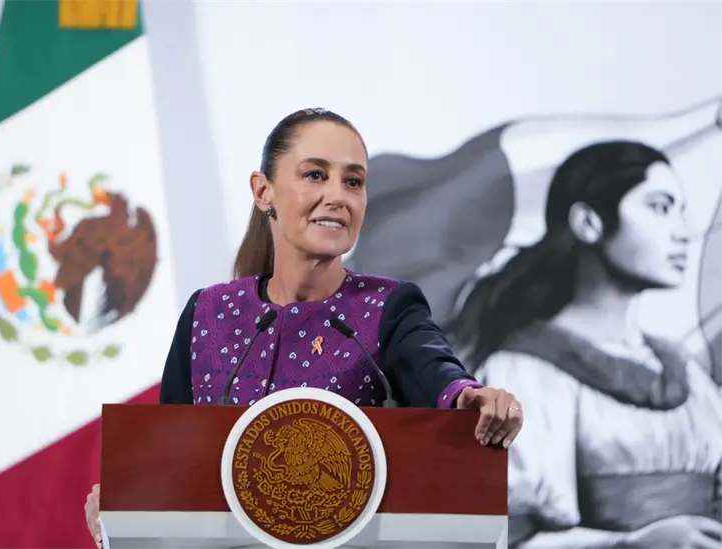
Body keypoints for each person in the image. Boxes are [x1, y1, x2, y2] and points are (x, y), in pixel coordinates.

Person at [84, 108, 524, 547]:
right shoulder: (209, 313)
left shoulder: (388, 306)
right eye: (316, 175)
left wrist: (469, 396)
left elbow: (437, 372)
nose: (338, 196)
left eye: (353, 181)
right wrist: (121, 515)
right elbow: (166, 466)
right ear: (263, 191)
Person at [447, 141, 722, 548]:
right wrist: (632, 544)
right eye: (660, 208)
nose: (682, 231)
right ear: (589, 222)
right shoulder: (525, 372)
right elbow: (507, 534)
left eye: (680, 211)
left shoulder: (686, 374)